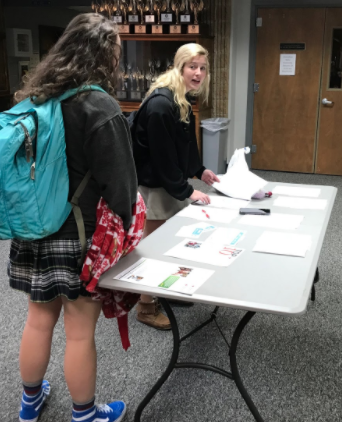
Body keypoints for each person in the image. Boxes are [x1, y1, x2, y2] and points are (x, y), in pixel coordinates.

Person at [9, 13, 136, 422]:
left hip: (31, 227)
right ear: (104, 57)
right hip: (77, 235)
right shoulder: (99, 105)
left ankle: (30, 403)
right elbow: (123, 191)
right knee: (79, 331)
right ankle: (84, 414)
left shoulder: (37, 98)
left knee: (38, 318)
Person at [132, 43, 220, 330]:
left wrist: (199, 171)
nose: (198, 73)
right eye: (192, 66)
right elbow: (162, 157)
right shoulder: (161, 104)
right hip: (156, 186)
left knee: (172, 242)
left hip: (170, 182)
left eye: (202, 68)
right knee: (153, 245)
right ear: (180, 67)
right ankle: (146, 305)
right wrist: (185, 190)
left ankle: (166, 291)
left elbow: (184, 144)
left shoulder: (181, 98)